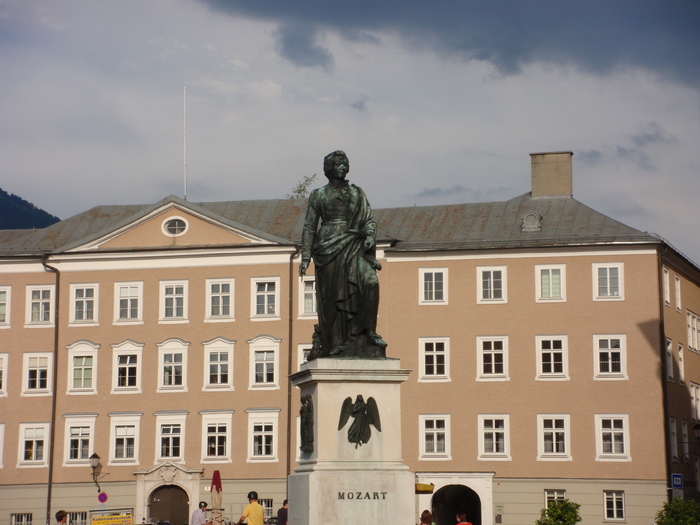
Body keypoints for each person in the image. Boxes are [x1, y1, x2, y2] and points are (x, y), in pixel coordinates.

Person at [300, 150, 387, 357]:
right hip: (328, 248)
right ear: (328, 168)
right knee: (333, 298)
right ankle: (338, 341)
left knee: (370, 282)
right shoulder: (318, 194)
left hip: (355, 244)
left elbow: (368, 220)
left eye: (345, 163)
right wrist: (305, 256)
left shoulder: (358, 193)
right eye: (338, 163)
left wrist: (369, 235)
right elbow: (310, 226)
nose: (342, 166)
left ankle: (369, 331)